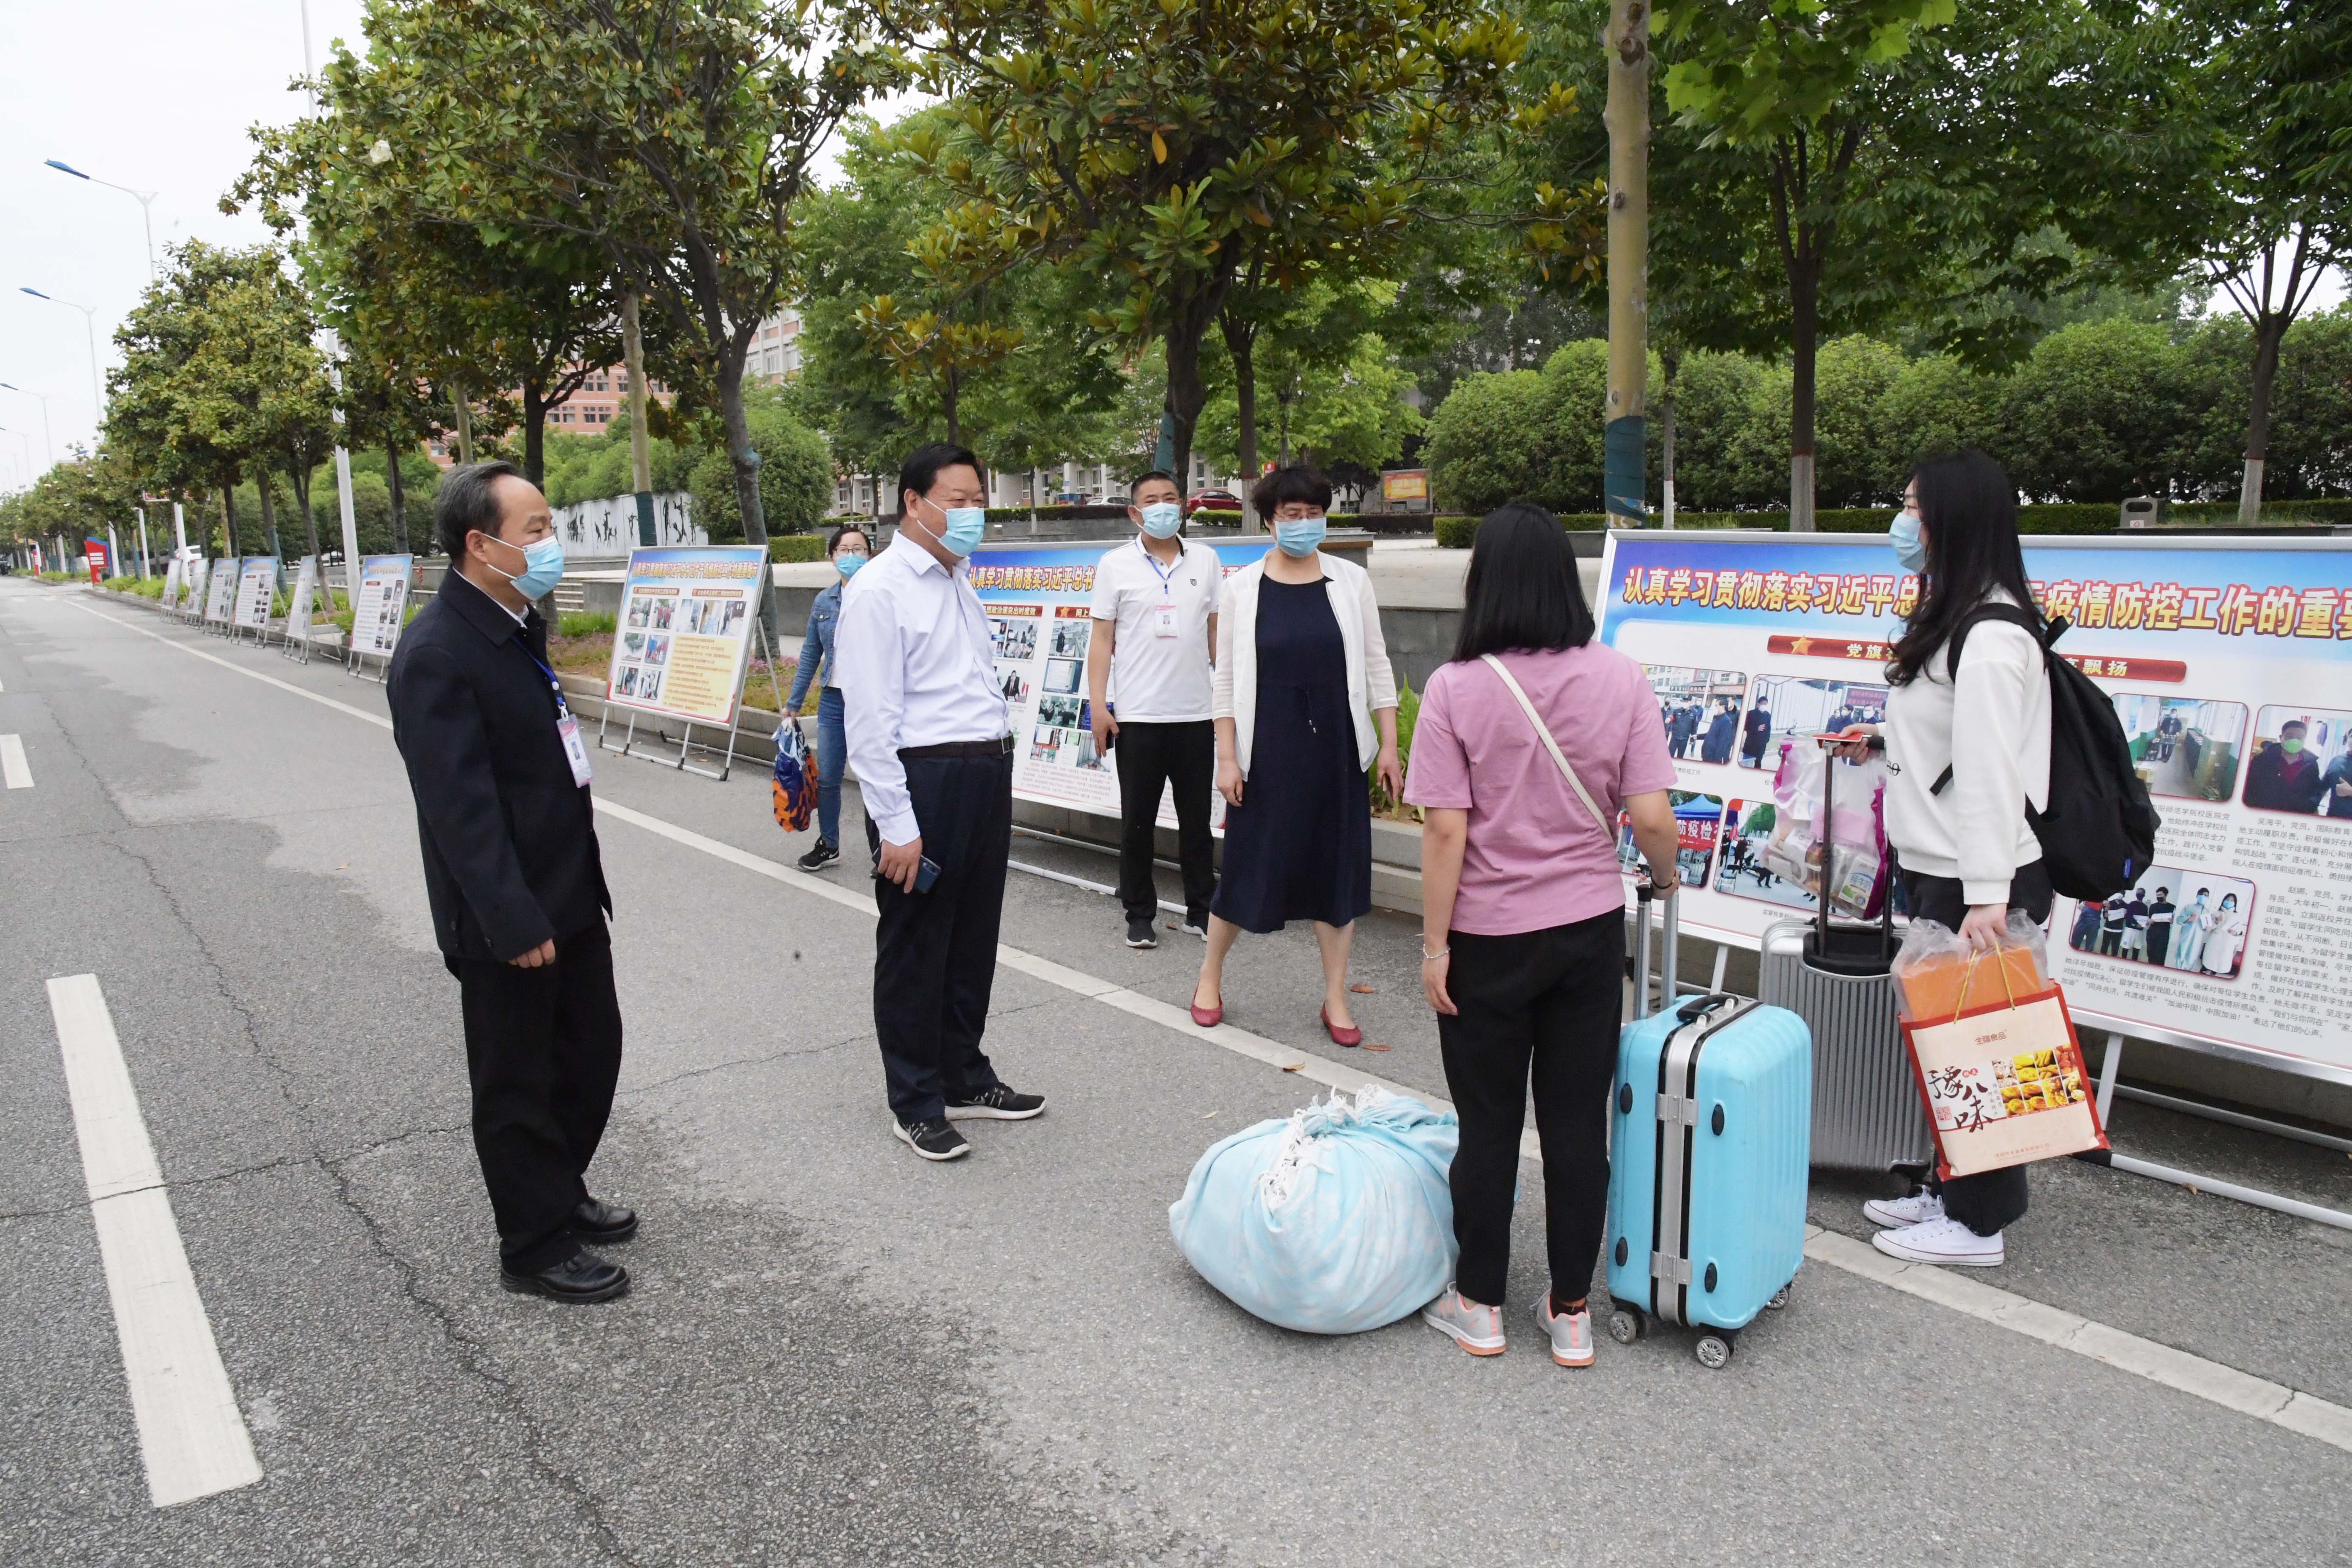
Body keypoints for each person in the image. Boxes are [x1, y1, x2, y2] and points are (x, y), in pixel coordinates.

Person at [1403, 504, 1680, 1367]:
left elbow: (1445, 832)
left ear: (1483, 582)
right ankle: (1569, 1310)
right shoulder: (1620, 676)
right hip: (1588, 933)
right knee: (1573, 1127)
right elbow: (1650, 814)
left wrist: (1435, 945)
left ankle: (1479, 1303)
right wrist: (1663, 878)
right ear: (1567, 579)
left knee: (1487, 1124)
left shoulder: (1455, 687)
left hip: (1487, 937)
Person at [386, 462, 632, 1304]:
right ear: (480, 543)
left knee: (590, 1051)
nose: (550, 542)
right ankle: (532, 1240)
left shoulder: (513, 623)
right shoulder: (437, 651)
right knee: (517, 1078)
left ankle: (559, 1188)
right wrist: (511, 917)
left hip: (568, 890)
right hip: (509, 914)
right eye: (536, 530)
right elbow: (460, 809)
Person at [1833, 449, 2050, 1269]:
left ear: (1955, 518)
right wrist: (1884, 740)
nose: (1903, 518)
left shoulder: (1991, 633)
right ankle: (1951, 1188)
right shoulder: (1960, 617)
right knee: (1947, 1040)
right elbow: (1958, 741)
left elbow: (1995, 773)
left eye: (1915, 505)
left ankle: (1979, 1225)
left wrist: (1987, 897)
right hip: (1946, 866)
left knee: (1984, 1046)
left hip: (1979, 878)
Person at [834, 443, 1046, 1162]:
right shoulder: (879, 589)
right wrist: (897, 823)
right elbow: (868, 723)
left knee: (969, 938)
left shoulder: (960, 581)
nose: (971, 512)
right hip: (923, 781)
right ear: (912, 504)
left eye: (977, 498)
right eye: (956, 500)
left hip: (983, 775)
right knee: (916, 946)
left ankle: (963, 1073)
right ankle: (916, 1099)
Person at [1189, 466, 1401, 1042]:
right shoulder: (1242, 589)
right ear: (1270, 520)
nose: (1304, 524)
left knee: (1336, 875)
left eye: (1314, 513)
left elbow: (1376, 664)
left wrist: (1389, 744)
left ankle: (1335, 998)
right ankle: (1209, 976)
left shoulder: (1351, 582)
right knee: (1247, 867)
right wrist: (1227, 758)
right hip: (1270, 746)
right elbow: (1226, 680)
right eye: (1292, 514)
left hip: (1336, 745)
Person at [1087, 469, 1221, 948]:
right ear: (1134, 512)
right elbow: (1102, 640)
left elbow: (1214, 632)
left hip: (1195, 715)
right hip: (1138, 718)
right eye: (1152, 501)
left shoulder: (1205, 560)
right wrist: (1099, 705)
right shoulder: (1115, 564)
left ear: (1182, 505)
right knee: (1137, 823)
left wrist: (1225, 700)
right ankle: (1139, 913)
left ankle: (1201, 910)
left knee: (1197, 823)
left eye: (1171, 498)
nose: (1163, 507)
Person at [784, 524, 871, 871]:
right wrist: (793, 704)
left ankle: (883, 852)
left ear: (870, 554)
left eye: (859, 550)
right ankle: (830, 844)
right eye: (844, 550)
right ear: (832, 557)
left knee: (875, 775)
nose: (851, 556)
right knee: (829, 777)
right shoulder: (824, 601)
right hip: (834, 701)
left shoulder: (881, 596)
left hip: (870, 700)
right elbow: (810, 654)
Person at [2243, 720, 2326, 811]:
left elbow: (2316, 790)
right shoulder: (2262, 759)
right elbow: (2248, 787)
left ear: (2304, 740)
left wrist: (2310, 806)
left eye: (2300, 738)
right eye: (2290, 737)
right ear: (2281, 738)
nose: (2295, 741)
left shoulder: (2311, 764)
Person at [2201, 892, 2247, 977]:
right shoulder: (2216, 913)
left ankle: (2214, 972)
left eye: (2232, 901)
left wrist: (2235, 932)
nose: (2229, 902)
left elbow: (2241, 930)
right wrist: (2217, 921)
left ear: (2235, 903)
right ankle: (2206, 969)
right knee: (2210, 957)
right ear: (2223, 901)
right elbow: (2209, 927)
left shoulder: (2237, 916)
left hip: (2227, 941)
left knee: (2221, 959)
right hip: (2215, 939)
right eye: (2227, 900)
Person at [2169, 888, 2212, 970]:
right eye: (2201, 894)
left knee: (2192, 959)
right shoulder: (2189, 907)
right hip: (2186, 938)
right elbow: (2178, 920)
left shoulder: (2207, 912)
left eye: (2206, 895)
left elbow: (2208, 929)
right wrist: (2189, 918)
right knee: (2181, 957)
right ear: (2197, 896)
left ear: (2208, 898)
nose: (2203, 897)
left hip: (2197, 941)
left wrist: (2208, 929)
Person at [2144, 885, 2176, 967]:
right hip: (2152, 934)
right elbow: (2149, 920)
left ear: (2166, 895)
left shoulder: (2172, 907)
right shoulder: (2153, 906)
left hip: (2163, 935)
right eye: (2157, 895)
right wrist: (2149, 922)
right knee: (2150, 955)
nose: (2159, 897)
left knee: (2161, 957)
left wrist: (2173, 921)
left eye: (2160, 895)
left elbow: (2174, 922)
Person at [1701, 700, 1737, 764]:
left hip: (1713, 758)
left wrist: (1717, 760)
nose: (1714, 708)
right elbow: (1711, 734)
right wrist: (1698, 736)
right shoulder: (1716, 718)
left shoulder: (1726, 721)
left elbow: (1722, 743)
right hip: (1707, 754)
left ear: (1723, 707)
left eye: (1716, 705)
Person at [2119, 887, 2148, 961]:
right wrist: (2136, 924)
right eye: (2139, 892)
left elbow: (2145, 919)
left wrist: (2145, 924)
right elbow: (2128, 916)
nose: (2140, 894)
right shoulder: (2132, 904)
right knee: (2125, 948)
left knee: (2137, 949)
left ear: (2144, 895)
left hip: (2139, 931)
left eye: (2142, 893)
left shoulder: (2145, 907)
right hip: (2130, 930)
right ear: (2136, 894)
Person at [1741, 698, 1772, 765]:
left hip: (1761, 746)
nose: (1764, 706)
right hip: (1751, 745)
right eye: (1762, 704)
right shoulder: (1751, 714)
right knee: (1747, 764)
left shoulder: (1768, 715)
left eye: (1765, 704)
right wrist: (1757, 728)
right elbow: (1746, 727)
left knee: (1758, 765)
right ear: (1758, 704)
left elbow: (1768, 729)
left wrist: (1766, 740)